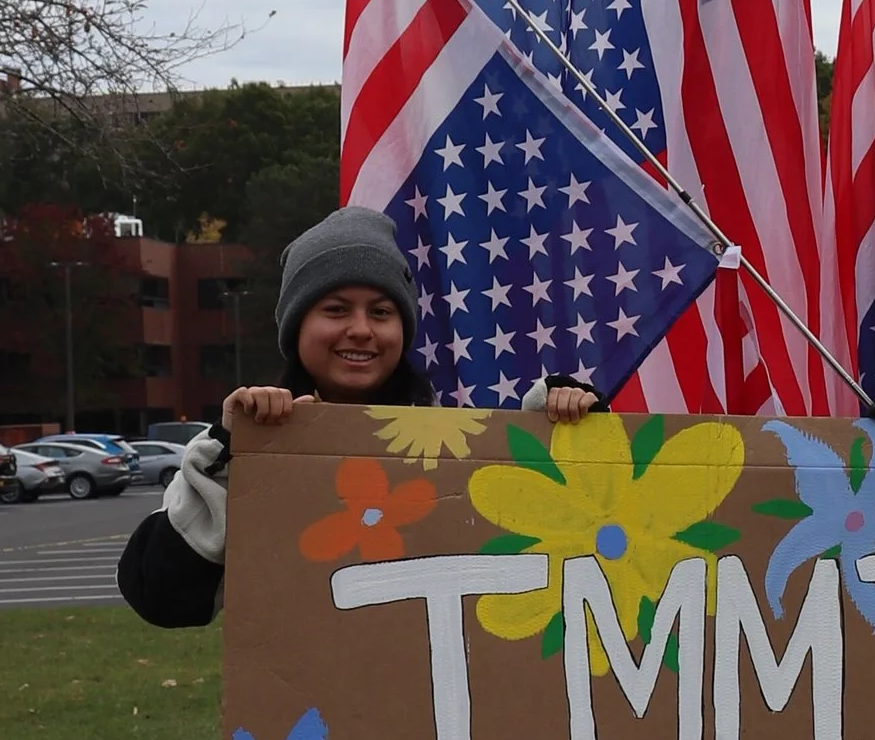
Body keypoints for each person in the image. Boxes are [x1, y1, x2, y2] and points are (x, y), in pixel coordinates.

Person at [117, 205, 599, 627]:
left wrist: (561, 430)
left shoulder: (451, 442)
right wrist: (232, 457)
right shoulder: (238, 445)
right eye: (336, 309)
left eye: (382, 312)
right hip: (310, 718)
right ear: (295, 324)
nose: (361, 330)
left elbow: (560, 549)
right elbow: (163, 600)